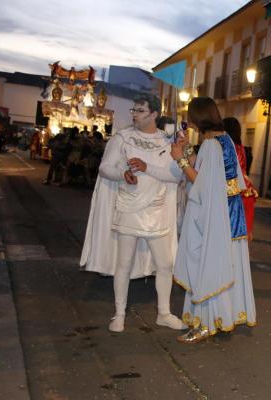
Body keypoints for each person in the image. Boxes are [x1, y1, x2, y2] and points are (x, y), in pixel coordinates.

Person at [80, 93, 185, 333]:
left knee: (165, 264)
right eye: (134, 111)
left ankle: (164, 313)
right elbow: (106, 167)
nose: (135, 115)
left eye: (140, 111)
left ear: (154, 115)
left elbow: (176, 175)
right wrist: (122, 174)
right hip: (128, 208)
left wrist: (148, 167)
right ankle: (119, 314)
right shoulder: (122, 138)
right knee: (124, 263)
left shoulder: (168, 141)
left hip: (157, 210)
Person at [172, 97, 256, 344]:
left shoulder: (210, 145)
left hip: (216, 215)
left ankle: (205, 324)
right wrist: (188, 149)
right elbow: (225, 178)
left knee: (207, 266)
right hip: (232, 214)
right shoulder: (226, 139)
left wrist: (179, 158)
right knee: (224, 266)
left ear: (198, 118)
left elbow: (202, 184)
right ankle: (221, 319)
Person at [223, 117, 259, 240]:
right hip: (247, 190)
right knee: (244, 232)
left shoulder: (228, 148)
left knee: (232, 232)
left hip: (234, 190)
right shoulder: (241, 147)